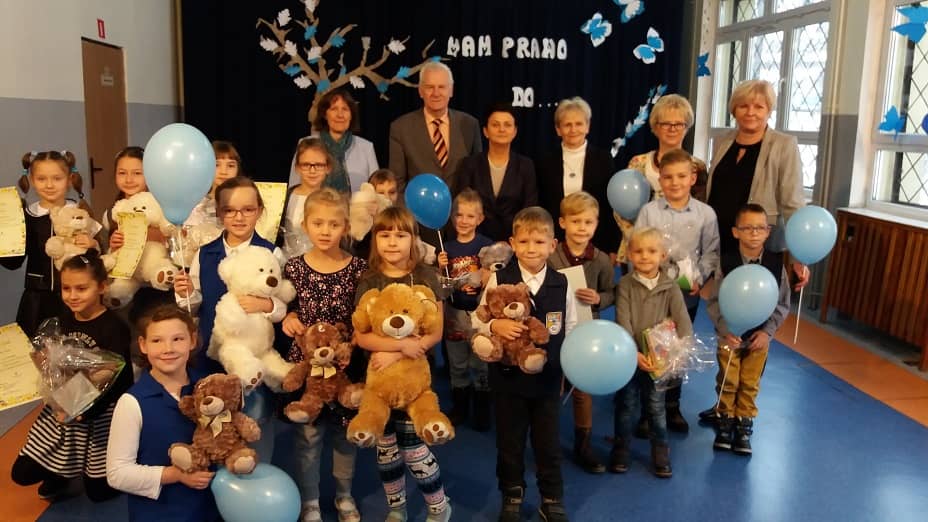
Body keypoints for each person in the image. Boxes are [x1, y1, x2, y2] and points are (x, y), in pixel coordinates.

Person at [701, 79, 809, 425]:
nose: (751, 112)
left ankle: (742, 411)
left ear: (769, 110)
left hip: (760, 245)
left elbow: (793, 203)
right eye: (744, 105)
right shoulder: (723, 141)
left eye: (759, 106)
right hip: (724, 243)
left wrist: (799, 255)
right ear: (733, 108)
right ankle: (723, 402)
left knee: (753, 331)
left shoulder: (783, 145)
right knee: (725, 326)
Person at [472, 206, 577, 522]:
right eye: (524, 241)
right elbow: (478, 319)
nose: (532, 249)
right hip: (507, 380)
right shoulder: (499, 278)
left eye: (539, 242)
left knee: (548, 443)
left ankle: (552, 498)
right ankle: (512, 495)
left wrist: (567, 369)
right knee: (510, 442)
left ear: (552, 245)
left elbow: (571, 328)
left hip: (547, 380)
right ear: (512, 243)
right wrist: (495, 325)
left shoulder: (562, 283)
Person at [173, 176, 287, 461]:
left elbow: (285, 302)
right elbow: (195, 306)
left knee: (256, 427)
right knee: (215, 428)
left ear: (259, 211)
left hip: (254, 360)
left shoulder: (271, 252)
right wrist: (186, 293)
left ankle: (259, 473)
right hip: (213, 358)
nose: (239, 217)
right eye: (230, 210)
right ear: (219, 213)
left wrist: (266, 304)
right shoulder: (205, 253)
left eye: (247, 209)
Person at [353, 207, 452, 522]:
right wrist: (397, 346)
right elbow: (361, 335)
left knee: (414, 450)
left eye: (400, 235)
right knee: (386, 454)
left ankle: (438, 506)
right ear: (375, 240)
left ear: (413, 239)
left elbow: (435, 331)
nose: (392, 242)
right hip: (379, 381)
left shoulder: (426, 276)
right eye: (385, 235)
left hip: (414, 381)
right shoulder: (369, 280)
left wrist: (399, 353)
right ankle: (397, 507)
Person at [11, 251, 131, 502]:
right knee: (22, 473)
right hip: (63, 406)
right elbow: (53, 367)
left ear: (102, 287)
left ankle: (114, 464)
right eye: (66, 288)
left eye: (81, 288)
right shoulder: (61, 320)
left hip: (100, 413)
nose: (72, 296)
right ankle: (61, 472)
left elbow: (120, 380)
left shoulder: (114, 328)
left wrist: (85, 411)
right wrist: (44, 364)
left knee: (100, 494)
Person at [281, 188, 366, 522]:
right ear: (305, 225)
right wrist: (288, 317)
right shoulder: (294, 269)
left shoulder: (358, 269)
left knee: (345, 436)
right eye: (318, 223)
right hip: (309, 371)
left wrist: (352, 344)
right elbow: (286, 307)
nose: (326, 230)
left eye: (334, 224)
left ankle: (344, 495)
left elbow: (363, 317)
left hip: (345, 367)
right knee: (308, 436)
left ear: (346, 227)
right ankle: (311, 500)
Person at [633, 149, 720, 435]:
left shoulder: (706, 213)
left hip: (685, 294)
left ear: (692, 178)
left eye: (681, 176)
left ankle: (672, 405)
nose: (675, 182)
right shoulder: (649, 211)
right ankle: (648, 410)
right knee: (650, 345)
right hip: (652, 292)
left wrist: (699, 277)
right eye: (668, 177)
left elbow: (711, 252)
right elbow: (638, 247)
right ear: (660, 178)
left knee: (678, 347)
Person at [106, 305, 220, 522]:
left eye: (178, 339)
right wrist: (174, 475)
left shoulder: (210, 388)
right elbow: (117, 474)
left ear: (192, 340)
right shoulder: (132, 403)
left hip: (211, 509)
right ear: (143, 345)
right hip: (161, 513)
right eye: (157, 341)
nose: (168, 349)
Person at [706, 204, 789, 455]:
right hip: (729, 335)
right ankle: (725, 420)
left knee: (750, 382)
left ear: (768, 232)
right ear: (735, 232)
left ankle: (744, 424)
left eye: (760, 228)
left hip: (758, 337)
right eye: (747, 228)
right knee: (728, 379)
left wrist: (767, 333)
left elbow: (782, 303)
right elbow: (714, 300)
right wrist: (724, 329)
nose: (754, 233)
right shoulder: (726, 262)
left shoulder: (776, 265)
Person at [611, 227, 692, 479]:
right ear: (629, 255)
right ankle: (621, 448)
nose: (644, 256)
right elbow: (623, 320)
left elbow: (683, 322)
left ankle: (660, 451)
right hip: (629, 358)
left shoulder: (671, 287)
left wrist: (677, 352)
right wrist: (632, 353)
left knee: (656, 408)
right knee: (626, 405)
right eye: (638, 251)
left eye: (651, 251)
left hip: (658, 361)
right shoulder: (625, 284)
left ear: (663, 255)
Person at [547, 191, 615, 474]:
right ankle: (547, 440)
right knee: (552, 383)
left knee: (582, 389)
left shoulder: (601, 260)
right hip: (554, 330)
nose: (582, 228)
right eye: (576, 221)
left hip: (586, 331)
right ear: (562, 222)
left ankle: (583, 443)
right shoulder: (551, 256)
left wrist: (599, 298)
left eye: (588, 222)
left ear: (596, 224)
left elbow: (611, 292)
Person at [1, 150, 98, 337]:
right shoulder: (26, 216)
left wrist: (92, 245)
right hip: (37, 299)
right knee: (35, 349)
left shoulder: (79, 212)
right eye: (41, 179)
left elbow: (97, 261)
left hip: (76, 297)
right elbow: (13, 262)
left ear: (69, 179)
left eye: (57, 178)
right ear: (31, 179)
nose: (49, 185)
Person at [436, 189, 494, 430]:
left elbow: (494, 277)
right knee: (457, 363)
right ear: (452, 218)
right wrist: (440, 268)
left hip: (480, 314)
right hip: (454, 313)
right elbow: (440, 285)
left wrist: (486, 274)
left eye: (470, 216)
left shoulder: (486, 246)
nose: (464, 220)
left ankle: (482, 408)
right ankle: (460, 406)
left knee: (480, 363)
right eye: (459, 215)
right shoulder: (446, 248)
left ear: (480, 219)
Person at [535, 97, 618, 256]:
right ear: (558, 129)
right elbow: (541, 205)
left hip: (596, 243)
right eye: (567, 125)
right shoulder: (545, 161)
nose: (573, 129)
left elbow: (609, 207)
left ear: (588, 126)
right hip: (554, 244)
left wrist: (612, 248)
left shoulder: (604, 159)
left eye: (579, 124)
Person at [389, 61, 482, 191]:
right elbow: (397, 184)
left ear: (451, 90)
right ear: (420, 91)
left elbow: (478, 177)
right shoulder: (400, 128)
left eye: (442, 87)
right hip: (418, 204)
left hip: (460, 204)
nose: (436, 93)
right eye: (430, 87)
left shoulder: (470, 125)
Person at [453, 103, 538, 241]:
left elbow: (529, 208)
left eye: (507, 125)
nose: (501, 129)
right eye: (495, 125)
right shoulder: (469, 164)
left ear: (515, 131)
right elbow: (461, 205)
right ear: (485, 131)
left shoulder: (525, 165)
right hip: (475, 240)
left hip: (514, 241)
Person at [287, 89, 379, 195]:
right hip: (312, 204)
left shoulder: (366, 147)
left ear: (351, 115)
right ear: (325, 114)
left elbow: (376, 190)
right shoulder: (306, 144)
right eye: (334, 109)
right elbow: (294, 188)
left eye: (345, 109)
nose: (340, 115)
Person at [627, 94, 708, 202]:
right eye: (666, 124)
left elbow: (700, 207)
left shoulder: (697, 167)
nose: (672, 129)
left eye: (678, 124)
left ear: (686, 127)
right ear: (656, 127)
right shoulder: (637, 163)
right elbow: (626, 204)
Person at [280, 137, 334, 257]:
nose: (312, 171)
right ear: (297, 168)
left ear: (327, 168)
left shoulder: (334, 200)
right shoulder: (285, 197)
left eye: (318, 165)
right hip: (287, 262)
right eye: (306, 165)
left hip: (321, 262)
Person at [184, 141, 241, 236]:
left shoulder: (244, 201)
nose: (224, 171)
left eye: (230, 166)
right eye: (216, 165)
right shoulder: (197, 202)